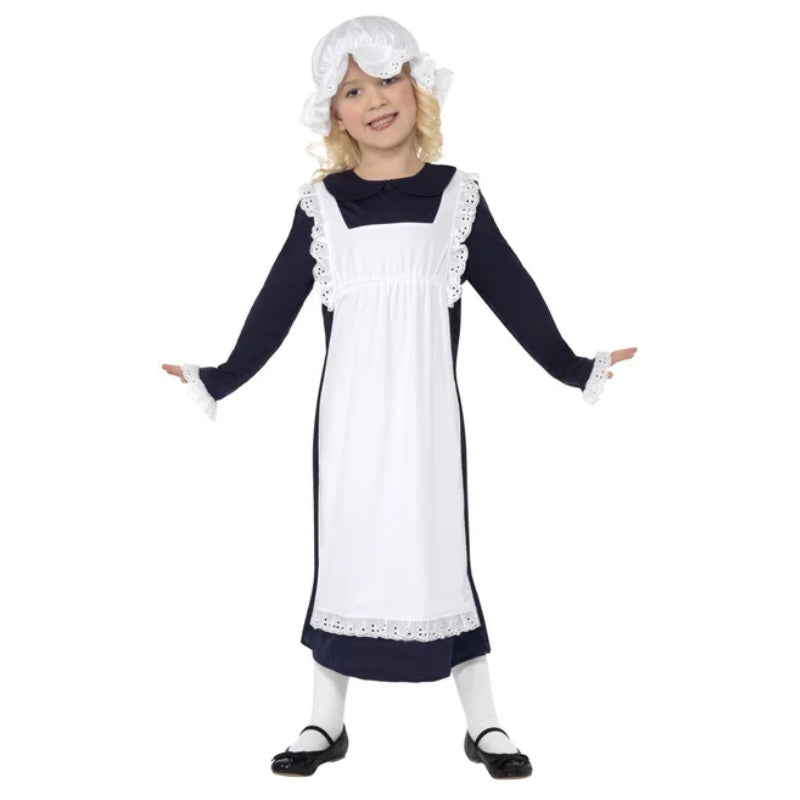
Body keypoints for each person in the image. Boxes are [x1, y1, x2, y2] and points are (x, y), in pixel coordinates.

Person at [162, 15, 637, 779]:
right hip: (349, 421)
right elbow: (276, 305)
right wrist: (218, 378)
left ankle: (484, 722)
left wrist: (576, 367)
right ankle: (324, 721)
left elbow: (514, 293)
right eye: (353, 90)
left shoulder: (457, 198)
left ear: (419, 87)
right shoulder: (322, 206)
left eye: (388, 79)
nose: (376, 100)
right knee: (346, 551)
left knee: (439, 548)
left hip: (427, 417)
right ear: (334, 113)